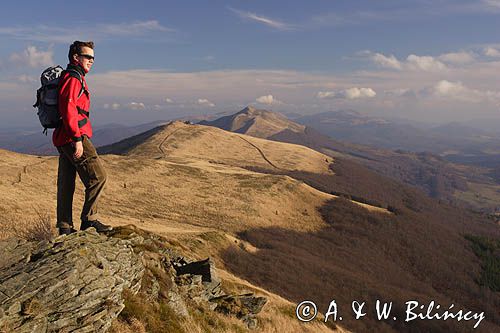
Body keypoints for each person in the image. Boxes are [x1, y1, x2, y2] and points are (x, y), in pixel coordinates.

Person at [53, 40, 112, 236]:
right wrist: (77, 139)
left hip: (64, 137)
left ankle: (64, 226)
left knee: (66, 183)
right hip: (72, 136)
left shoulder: (73, 76)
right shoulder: (73, 78)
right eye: (88, 57)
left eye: (93, 58)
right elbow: (68, 108)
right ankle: (89, 220)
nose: (91, 61)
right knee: (99, 176)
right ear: (75, 57)